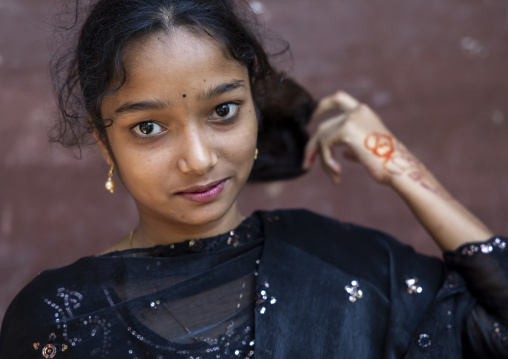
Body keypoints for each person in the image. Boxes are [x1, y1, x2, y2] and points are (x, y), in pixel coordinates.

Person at [0, 0, 507, 358]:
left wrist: (396, 163)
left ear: (255, 109)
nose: (197, 159)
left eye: (223, 110)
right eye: (148, 127)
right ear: (102, 136)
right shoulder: (59, 321)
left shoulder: (350, 269)